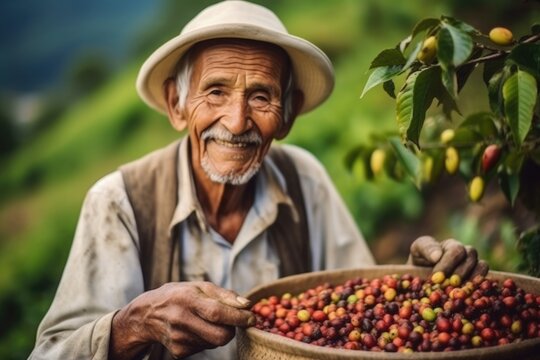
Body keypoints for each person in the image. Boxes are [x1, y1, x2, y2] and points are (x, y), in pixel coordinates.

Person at [29, 1, 488, 359]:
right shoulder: (119, 201)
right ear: (176, 105)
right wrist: (133, 324)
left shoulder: (304, 178)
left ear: (286, 118)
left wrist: (420, 284)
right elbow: (50, 354)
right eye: (215, 92)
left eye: (262, 96)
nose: (236, 121)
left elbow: (358, 309)